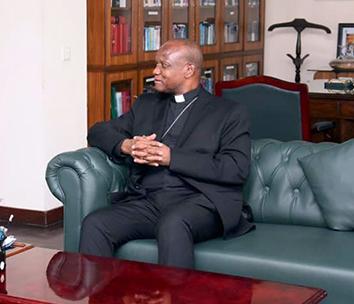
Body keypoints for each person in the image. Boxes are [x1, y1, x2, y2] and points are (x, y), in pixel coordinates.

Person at [79, 39, 252, 269]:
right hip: (149, 202)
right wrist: (127, 145)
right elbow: (98, 131)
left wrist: (171, 157)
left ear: (189, 70)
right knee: (96, 224)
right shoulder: (147, 105)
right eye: (156, 64)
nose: (155, 72)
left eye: (163, 65)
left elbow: (236, 168)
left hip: (202, 202)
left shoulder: (228, 112)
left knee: (173, 223)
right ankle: (98, 303)